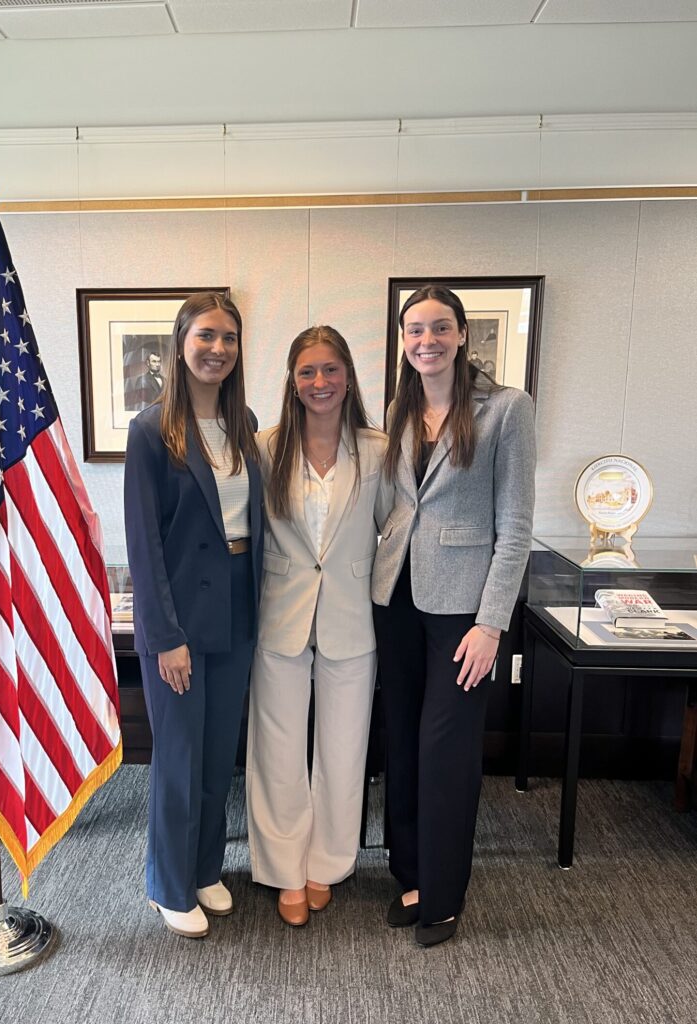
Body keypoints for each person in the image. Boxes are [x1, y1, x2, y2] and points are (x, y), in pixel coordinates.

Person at [371, 284, 535, 947]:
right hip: (398, 601)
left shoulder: (506, 409)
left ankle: (442, 895)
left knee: (446, 751)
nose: (425, 341)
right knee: (403, 742)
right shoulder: (399, 408)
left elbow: (516, 527)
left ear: (463, 335)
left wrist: (490, 624)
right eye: (414, 330)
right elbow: (394, 508)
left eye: (439, 328)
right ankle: (408, 875)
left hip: (462, 614)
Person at [124, 292, 263, 939]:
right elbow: (143, 542)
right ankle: (168, 883)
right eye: (206, 335)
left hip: (236, 606)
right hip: (179, 614)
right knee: (178, 756)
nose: (217, 349)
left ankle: (206, 866)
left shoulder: (244, 424)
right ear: (180, 344)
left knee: (216, 755)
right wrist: (164, 636)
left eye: (228, 338)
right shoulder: (151, 428)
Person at [246, 326, 393, 926]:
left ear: (349, 376)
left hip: (352, 618)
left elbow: (393, 530)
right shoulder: (263, 447)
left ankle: (325, 864)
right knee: (277, 749)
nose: (320, 383)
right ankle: (284, 869)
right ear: (292, 380)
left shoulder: (379, 450)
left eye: (330, 369)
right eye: (307, 371)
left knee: (342, 746)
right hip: (279, 615)